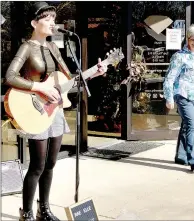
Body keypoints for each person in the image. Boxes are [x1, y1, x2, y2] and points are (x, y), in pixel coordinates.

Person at [4, 2, 107, 220]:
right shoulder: (27, 46)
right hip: (34, 109)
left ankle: (44, 210)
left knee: (51, 163)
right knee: (37, 165)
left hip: (55, 110)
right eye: (47, 18)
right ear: (35, 23)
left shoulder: (53, 47)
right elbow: (10, 77)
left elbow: (68, 81)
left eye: (54, 17)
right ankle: (27, 212)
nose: (53, 22)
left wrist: (93, 74)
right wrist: (39, 86)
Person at [163, 24, 194, 171]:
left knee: (186, 125)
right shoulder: (179, 57)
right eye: (192, 39)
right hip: (183, 95)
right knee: (192, 125)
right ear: (188, 39)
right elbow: (169, 79)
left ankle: (181, 156)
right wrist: (169, 97)